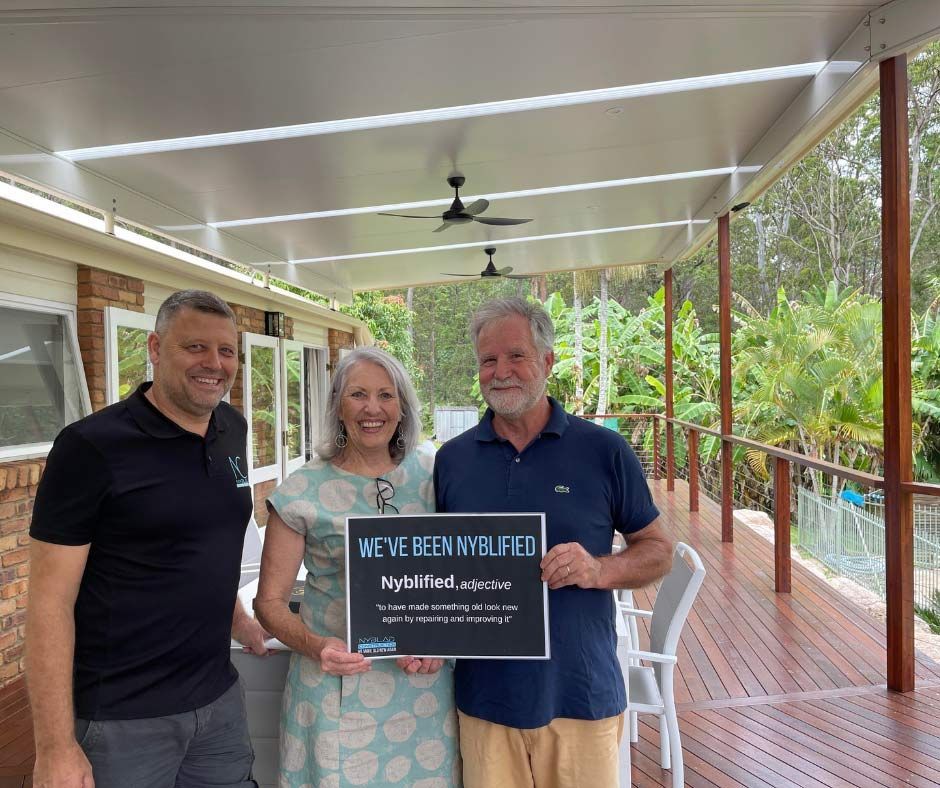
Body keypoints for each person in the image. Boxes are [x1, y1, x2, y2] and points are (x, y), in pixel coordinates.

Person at [26, 290, 268, 788]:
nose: (214, 364)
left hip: (218, 701)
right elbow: (49, 603)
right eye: (194, 347)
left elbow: (204, 540)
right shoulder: (91, 447)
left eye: (226, 351)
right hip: (121, 719)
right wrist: (54, 747)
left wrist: (236, 616)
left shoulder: (232, 429)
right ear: (156, 348)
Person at [433, 297, 675, 788]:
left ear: (546, 361)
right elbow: (440, 570)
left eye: (516, 356)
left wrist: (599, 569)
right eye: (488, 360)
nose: (501, 372)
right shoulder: (452, 461)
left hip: (581, 697)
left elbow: (658, 550)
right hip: (485, 702)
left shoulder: (604, 450)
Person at [254, 346, 460, 788]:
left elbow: (459, 576)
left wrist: (445, 638)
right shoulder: (302, 491)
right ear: (336, 405)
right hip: (336, 691)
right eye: (358, 395)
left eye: (386, 395)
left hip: (422, 690)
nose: (372, 408)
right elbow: (268, 604)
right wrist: (314, 645)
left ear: (402, 406)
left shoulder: (435, 474)